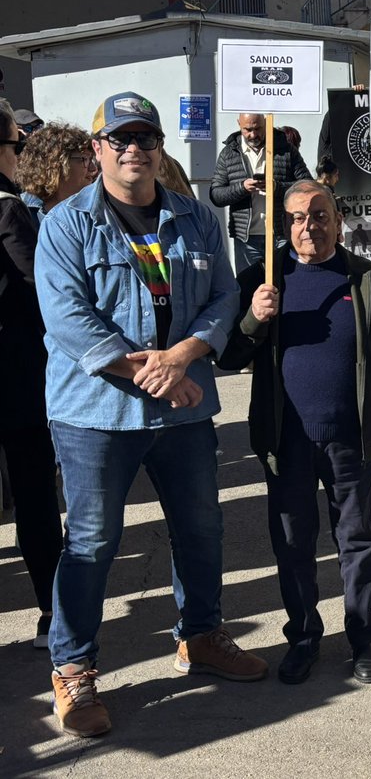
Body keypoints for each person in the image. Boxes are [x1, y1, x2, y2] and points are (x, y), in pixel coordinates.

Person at [35, 92, 267, 739]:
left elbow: (224, 295)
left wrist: (189, 353)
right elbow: (69, 320)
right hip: (95, 415)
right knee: (91, 542)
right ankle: (73, 669)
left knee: (201, 530)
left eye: (145, 137)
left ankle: (200, 636)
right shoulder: (65, 224)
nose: (133, 148)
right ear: (97, 150)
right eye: (120, 139)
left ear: (159, 147)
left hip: (183, 411)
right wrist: (152, 374)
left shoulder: (195, 218)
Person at [217, 179, 371, 685]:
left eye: (320, 215)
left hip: (351, 437)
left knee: (357, 540)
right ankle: (303, 637)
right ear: (283, 224)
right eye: (298, 217)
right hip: (286, 440)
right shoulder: (262, 276)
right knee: (293, 544)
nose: (310, 226)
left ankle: (363, 637)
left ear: (338, 221)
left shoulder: (365, 278)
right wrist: (255, 319)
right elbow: (230, 355)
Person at [0, 101, 63, 650]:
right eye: (19, 147)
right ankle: (53, 611)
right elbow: (40, 289)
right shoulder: (7, 210)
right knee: (35, 497)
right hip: (16, 380)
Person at [209, 112, 312, 272]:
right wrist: (242, 188)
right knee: (249, 288)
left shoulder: (285, 149)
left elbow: (307, 186)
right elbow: (216, 195)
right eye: (247, 129)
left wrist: (277, 188)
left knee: (285, 284)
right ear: (239, 124)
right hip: (246, 238)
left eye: (258, 128)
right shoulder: (229, 154)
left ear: (265, 123)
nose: (253, 134)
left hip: (281, 233)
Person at [14, 121, 97, 223]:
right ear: (55, 165)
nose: (93, 169)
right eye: (84, 159)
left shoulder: (98, 212)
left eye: (92, 160)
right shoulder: (17, 212)